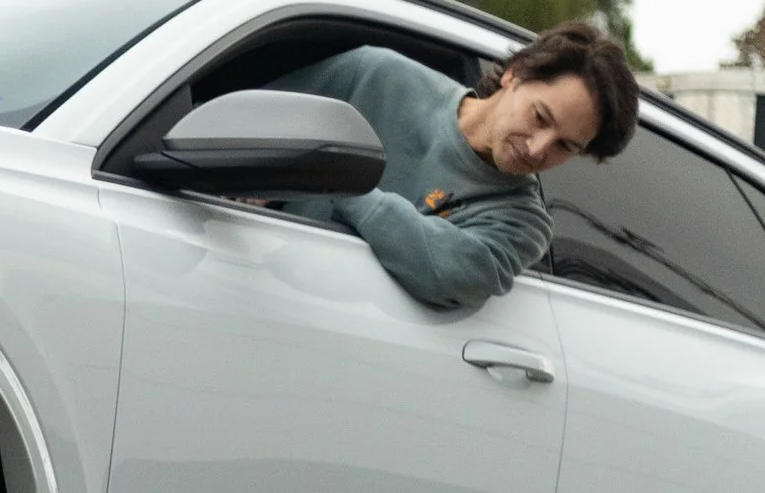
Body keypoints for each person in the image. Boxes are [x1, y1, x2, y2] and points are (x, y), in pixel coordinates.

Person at [270, 18, 639, 307]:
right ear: (516, 72)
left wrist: (336, 182)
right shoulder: (378, 77)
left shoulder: (522, 225)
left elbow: (445, 273)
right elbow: (243, 131)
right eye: (540, 117)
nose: (538, 148)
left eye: (566, 146)